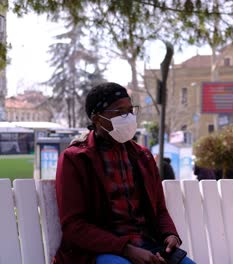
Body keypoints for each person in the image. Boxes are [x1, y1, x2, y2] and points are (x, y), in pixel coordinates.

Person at [54, 82, 195, 264]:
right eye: (119, 112)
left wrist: (170, 234)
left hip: (149, 246)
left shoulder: (143, 157)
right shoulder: (76, 160)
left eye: (130, 110)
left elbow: (159, 209)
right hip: (98, 252)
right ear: (97, 119)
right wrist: (126, 249)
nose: (128, 117)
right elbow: (74, 226)